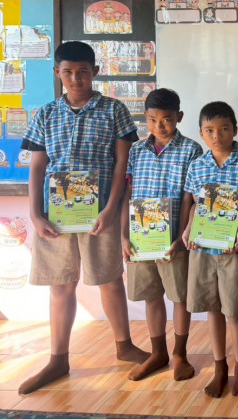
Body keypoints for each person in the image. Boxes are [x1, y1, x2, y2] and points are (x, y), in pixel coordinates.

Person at [18, 41, 147, 395]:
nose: (76, 79)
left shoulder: (114, 110)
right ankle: (58, 358)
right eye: (68, 72)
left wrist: (111, 208)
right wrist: (35, 213)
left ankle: (124, 346)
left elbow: (121, 164)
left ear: (96, 72)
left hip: (100, 213)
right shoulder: (45, 114)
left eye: (83, 72)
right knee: (60, 285)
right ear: (57, 73)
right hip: (56, 216)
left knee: (110, 279)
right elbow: (38, 166)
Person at [182, 102, 238, 398]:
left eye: (224, 129)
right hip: (203, 250)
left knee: (234, 310)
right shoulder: (197, 166)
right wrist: (188, 229)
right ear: (201, 134)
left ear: (235, 130)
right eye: (210, 130)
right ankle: (220, 368)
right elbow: (196, 205)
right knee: (212, 309)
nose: (217, 136)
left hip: (236, 250)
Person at [121, 88, 202, 381]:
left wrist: (181, 238)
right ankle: (158, 353)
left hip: (174, 241)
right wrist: (124, 236)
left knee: (179, 297)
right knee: (151, 296)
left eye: (166, 119)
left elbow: (192, 198)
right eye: (153, 120)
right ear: (145, 118)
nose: (160, 126)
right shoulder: (136, 151)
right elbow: (128, 194)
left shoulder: (191, 150)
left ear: (179, 117)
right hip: (141, 239)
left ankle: (180, 354)